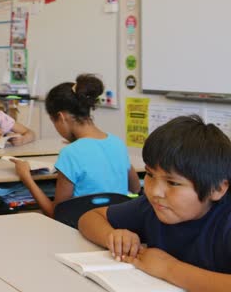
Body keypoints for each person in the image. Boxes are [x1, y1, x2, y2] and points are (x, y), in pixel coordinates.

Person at [78, 115, 231, 291]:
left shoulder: (226, 222)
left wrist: (169, 268)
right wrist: (113, 236)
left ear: (217, 189)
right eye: (150, 175)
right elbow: (89, 218)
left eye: (173, 183)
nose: (154, 192)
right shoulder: (152, 207)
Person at [9, 74, 140, 217]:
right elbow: (135, 188)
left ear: (61, 117)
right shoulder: (117, 143)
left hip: (82, 229)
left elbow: (55, 213)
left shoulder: (70, 153)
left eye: (54, 122)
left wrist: (26, 178)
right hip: (117, 225)